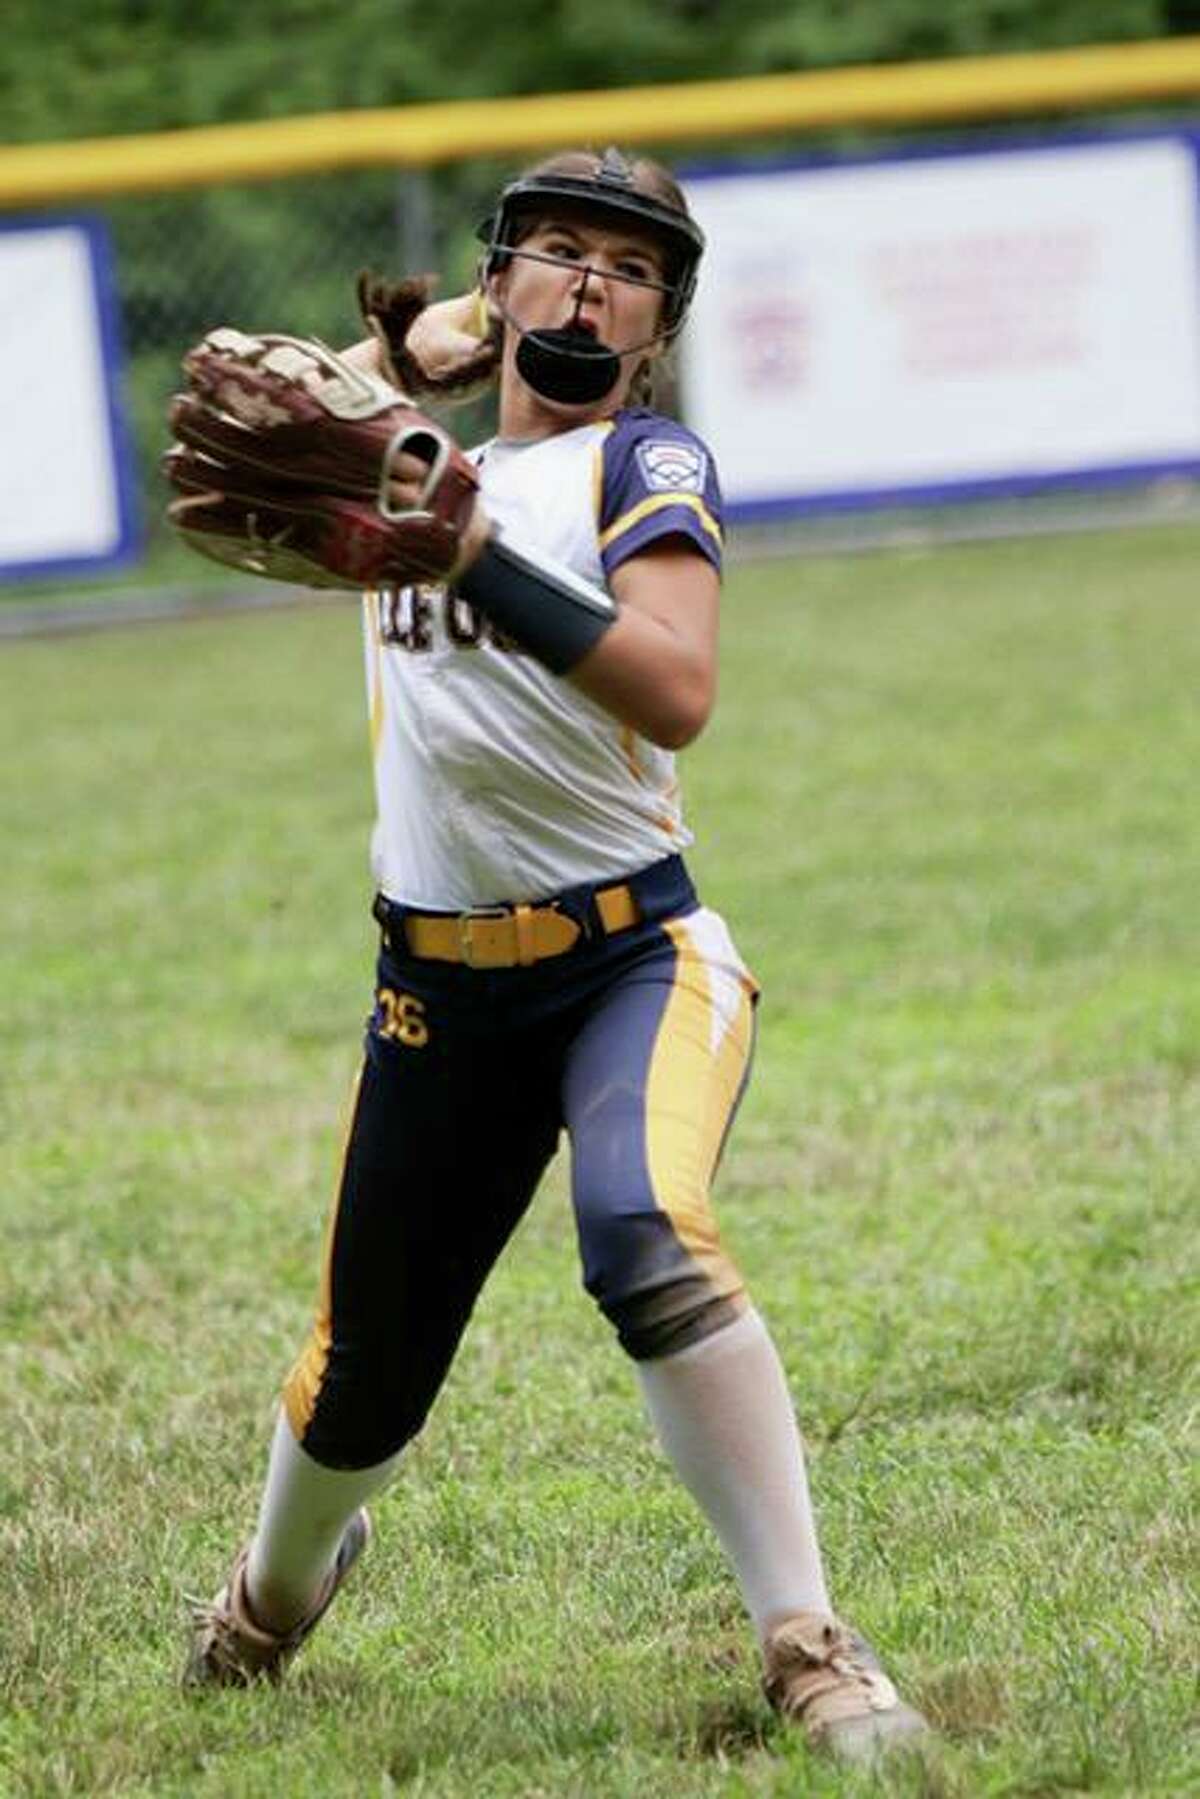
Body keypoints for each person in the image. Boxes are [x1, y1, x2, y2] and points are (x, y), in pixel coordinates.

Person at [183, 145, 928, 1763]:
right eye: (557, 252)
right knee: (362, 1377)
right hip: (433, 990)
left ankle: (806, 1641)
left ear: (660, 321)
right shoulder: (403, 450)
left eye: (632, 266)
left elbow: (676, 691)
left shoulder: (646, 459)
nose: (592, 282)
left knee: (643, 1231)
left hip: (631, 960)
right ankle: (269, 1595)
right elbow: (266, 403)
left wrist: (466, 553)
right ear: (500, 275)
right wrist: (430, 351)